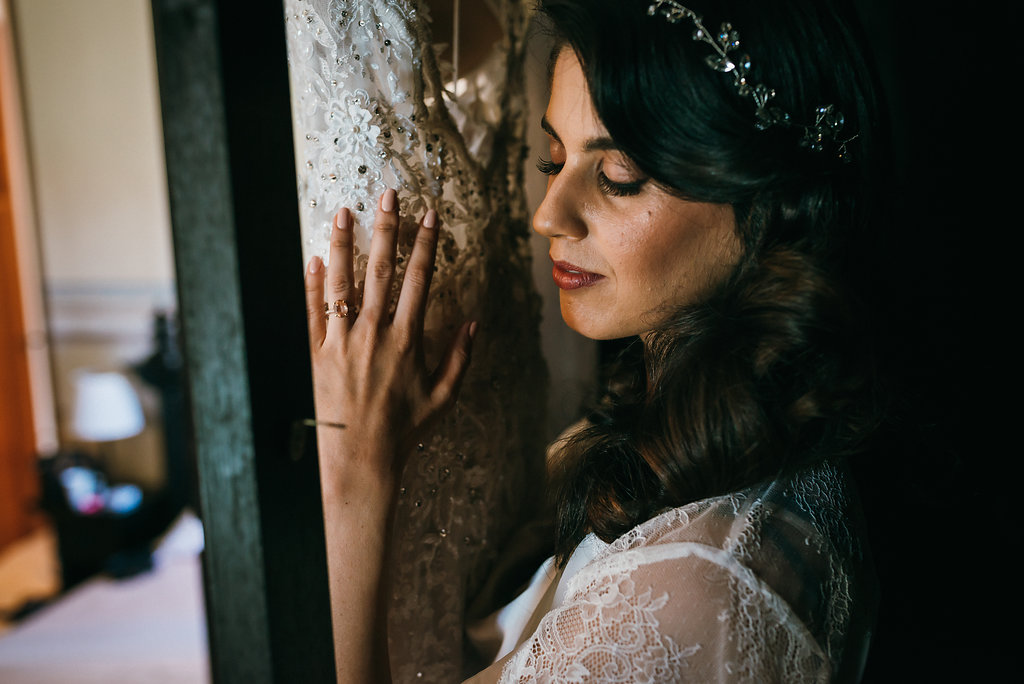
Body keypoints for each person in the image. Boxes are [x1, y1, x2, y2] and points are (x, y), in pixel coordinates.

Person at [302, 0, 886, 680]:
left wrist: (352, 481)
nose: (549, 215)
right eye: (555, 160)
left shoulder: (689, 597)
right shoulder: (728, 449)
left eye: (618, 177)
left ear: (767, 207)